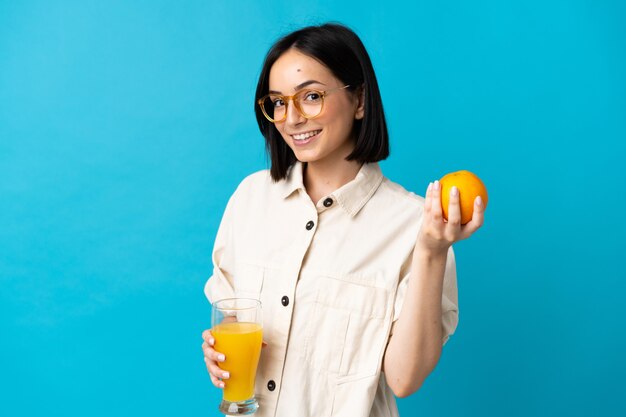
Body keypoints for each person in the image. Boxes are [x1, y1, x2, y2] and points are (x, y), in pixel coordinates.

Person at [201, 23, 484, 417]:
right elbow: (233, 315)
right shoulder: (250, 199)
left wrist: (433, 251)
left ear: (360, 100)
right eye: (278, 102)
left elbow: (405, 378)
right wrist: (219, 348)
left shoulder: (415, 226)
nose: (292, 118)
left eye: (311, 96)